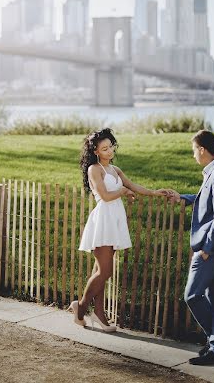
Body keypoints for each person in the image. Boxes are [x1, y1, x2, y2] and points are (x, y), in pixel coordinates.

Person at [68, 128, 171, 332]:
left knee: (100, 272)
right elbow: (105, 196)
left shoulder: (115, 170)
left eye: (110, 146)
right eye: (104, 149)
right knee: (105, 271)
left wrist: (155, 193)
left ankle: (98, 312)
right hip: (103, 220)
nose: (109, 151)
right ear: (96, 151)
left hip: (115, 220)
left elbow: (133, 186)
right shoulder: (94, 169)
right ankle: (79, 308)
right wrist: (122, 191)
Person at [170, 130, 214, 365]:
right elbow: (207, 202)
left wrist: (207, 248)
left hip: (210, 248)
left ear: (202, 149)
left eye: (193, 151)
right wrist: (184, 198)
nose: (193, 156)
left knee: (192, 295)